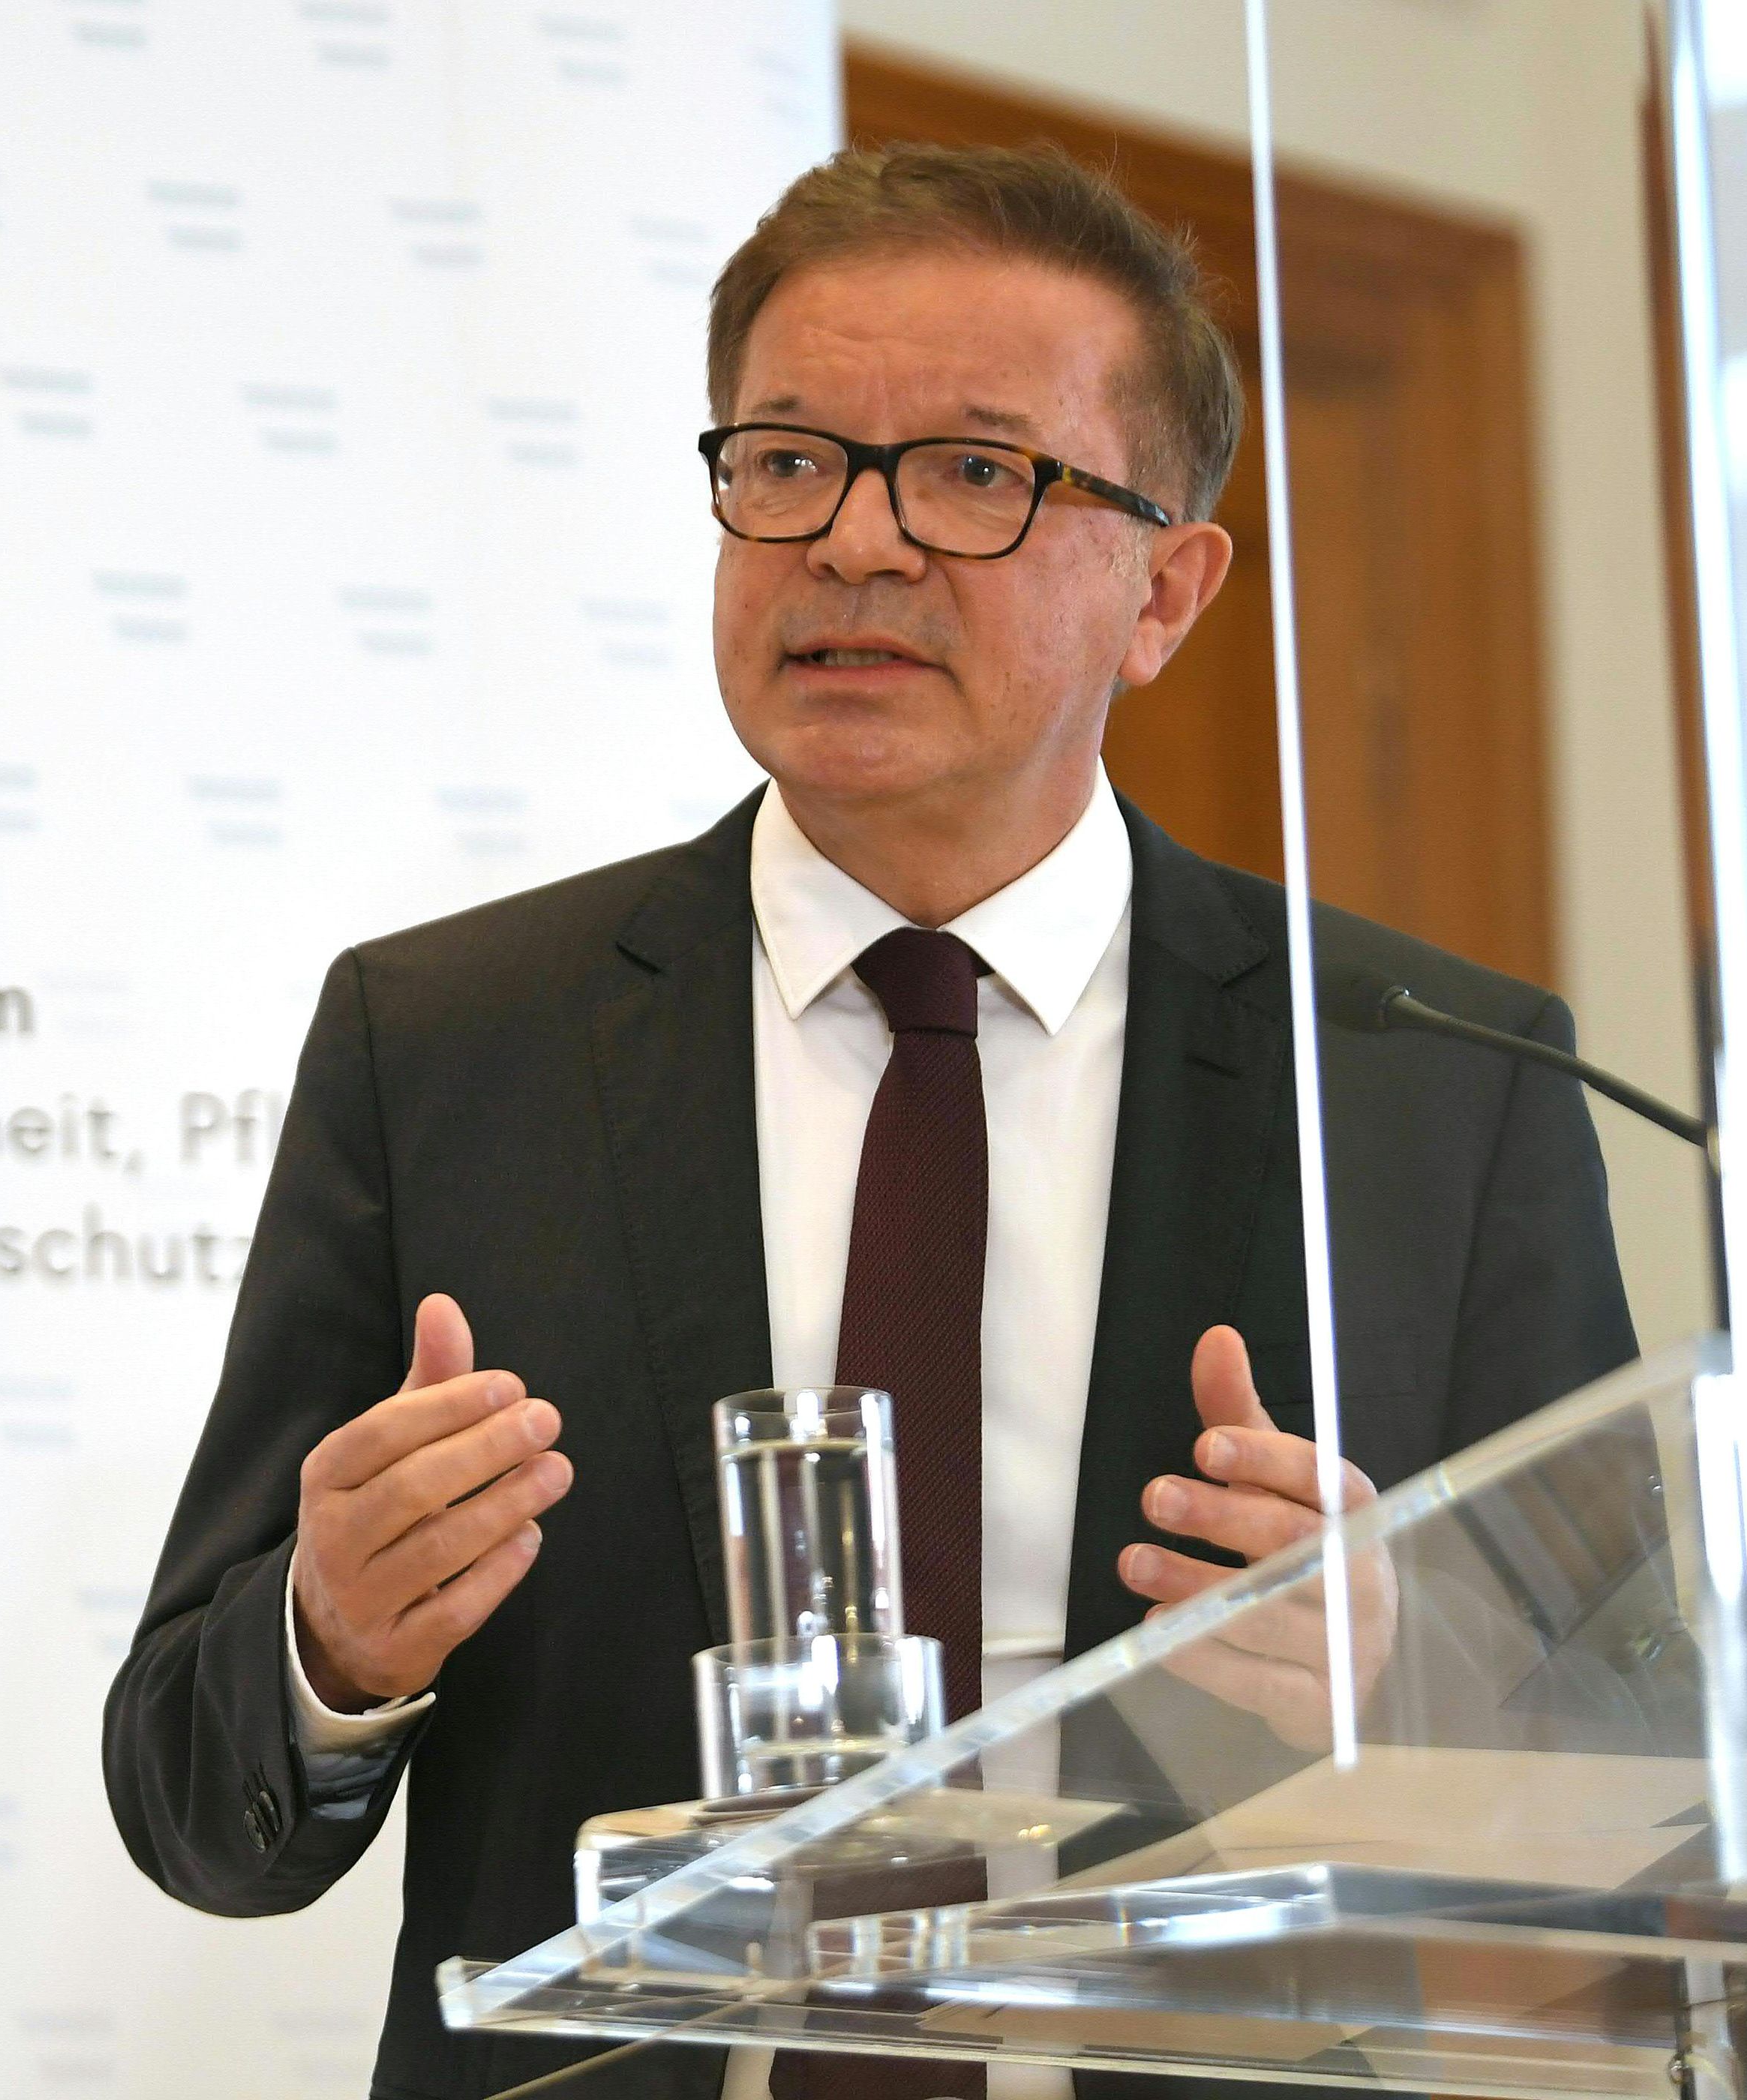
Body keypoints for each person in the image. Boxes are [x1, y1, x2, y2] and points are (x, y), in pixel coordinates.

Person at [101, 143, 1636, 2100]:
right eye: (791, 459)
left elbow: (1630, 1794)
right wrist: (329, 1644)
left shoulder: (1437, 1083)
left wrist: (1412, 1685)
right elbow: (189, 1796)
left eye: (979, 474)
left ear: (1167, 589)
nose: (856, 543)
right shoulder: (450, 1044)